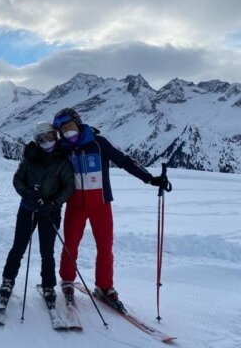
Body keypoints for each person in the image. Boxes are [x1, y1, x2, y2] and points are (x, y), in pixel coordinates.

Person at [52, 108, 169, 308]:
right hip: (75, 206)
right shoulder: (62, 149)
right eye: (62, 129)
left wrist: (149, 178)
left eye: (69, 126)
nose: (67, 131)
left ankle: (105, 286)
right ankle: (67, 280)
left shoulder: (99, 143)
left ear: (78, 123)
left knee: (105, 247)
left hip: (101, 204)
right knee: (70, 245)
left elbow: (125, 161)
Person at [0, 122, 74, 307]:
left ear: (55, 137)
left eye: (50, 137)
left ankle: (48, 285)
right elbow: (18, 179)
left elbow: (69, 186)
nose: (47, 142)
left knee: (47, 250)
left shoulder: (62, 160)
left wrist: (54, 202)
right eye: (43, 139)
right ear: (37, 141)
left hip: (50, 211)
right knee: (19, 247)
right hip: (28, 209)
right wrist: (26, 193)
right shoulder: (29, 159)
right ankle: (8, 280)